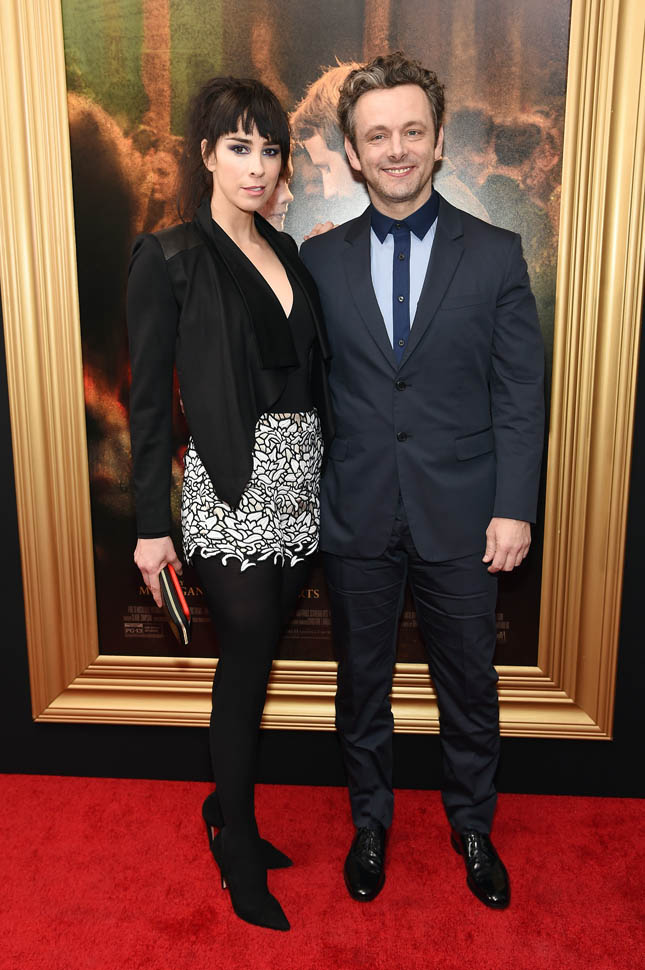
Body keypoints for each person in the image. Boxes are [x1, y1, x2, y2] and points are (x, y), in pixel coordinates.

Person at [300, 52, 544, 910]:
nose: (395, 149)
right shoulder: (317, 261)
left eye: (411, 131)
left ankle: (472, 826)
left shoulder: (496, 254)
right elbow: (301, 390)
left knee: (468, 685)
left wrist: (514, 507)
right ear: (353, 153)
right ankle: (369, 823)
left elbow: (519, 394)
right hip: (357, 510)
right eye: (377, 136)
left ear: (439, 142)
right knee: (360, 684)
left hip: (467, 515)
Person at [127, 76, 332, 931]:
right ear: (207, 154)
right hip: (228, 488)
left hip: (300, 486)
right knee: (244, 663)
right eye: (238, 147)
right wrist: (151, 527)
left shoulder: (287, 251)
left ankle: (224, 805)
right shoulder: (170, 255)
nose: (256, 166)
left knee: (257, 663)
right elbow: (146, 403)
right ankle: (236, 842)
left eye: (269, 149)